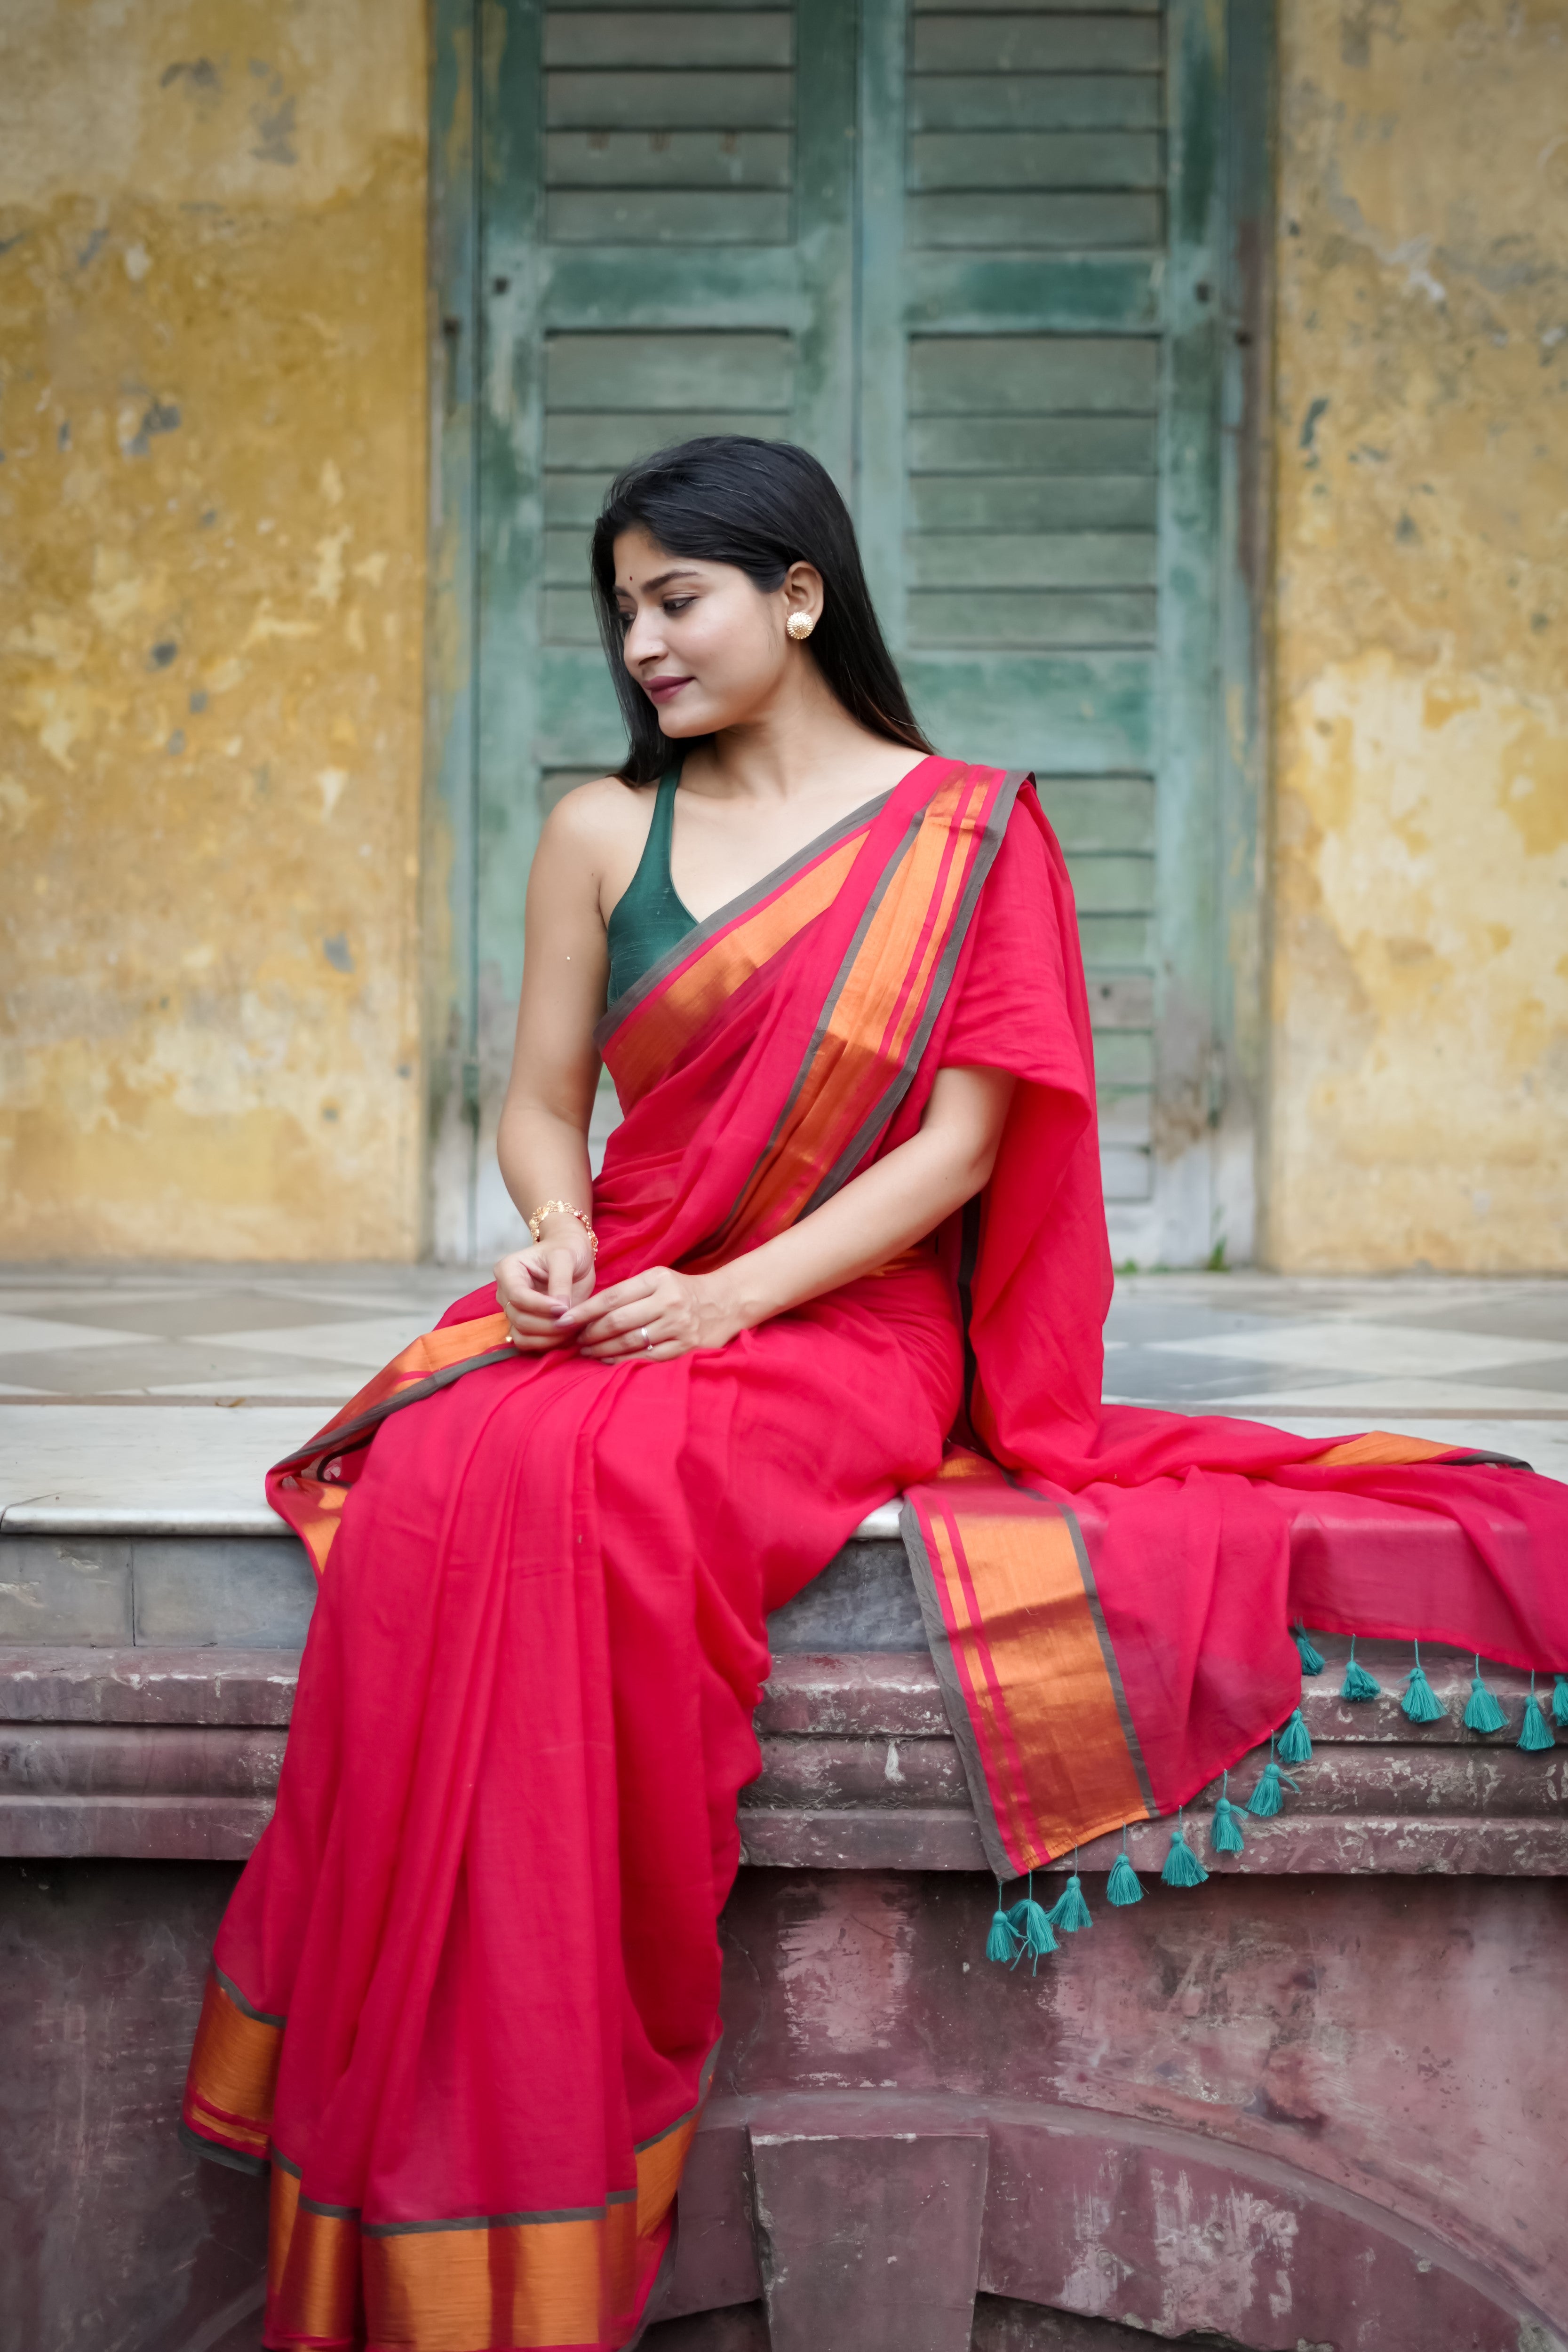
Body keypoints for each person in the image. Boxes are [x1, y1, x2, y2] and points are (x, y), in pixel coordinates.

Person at [182, 438, 1568, 2352]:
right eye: (624, 608)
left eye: (678, 597)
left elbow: (969, 1144)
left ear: (800, 595)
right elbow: (535, 1097)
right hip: (643, 1274)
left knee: (613, 1477)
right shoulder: (602, 827)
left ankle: (562, 2053)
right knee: (452, 1454)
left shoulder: (971, 830)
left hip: (848, 1318)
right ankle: (437, 2065)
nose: (641, 639)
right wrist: (560, 1232)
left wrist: (723, 1300)